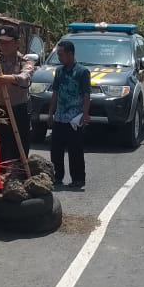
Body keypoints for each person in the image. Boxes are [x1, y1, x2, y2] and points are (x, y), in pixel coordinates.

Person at [0, 25, 34, 173]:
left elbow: (25, 79)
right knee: (0, 145)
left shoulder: (24, 61)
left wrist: (9, 78)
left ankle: (19, 175)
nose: (3, 46)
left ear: (17, 43)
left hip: (19, 109)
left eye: (7, 42)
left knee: (20, 146)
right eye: (1, 42)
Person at [46, 40, 91, 189]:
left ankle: (78, 179)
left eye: (61, 54)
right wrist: (51, 113)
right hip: (60, 117)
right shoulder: (59, 71)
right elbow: (55, 93)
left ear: (70, 54)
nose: (59, 57)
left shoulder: (82, 72)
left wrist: (85, 114)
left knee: (75, 150)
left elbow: (86, 94)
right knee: (56, 150)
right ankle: (57, 177)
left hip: (74, 118)